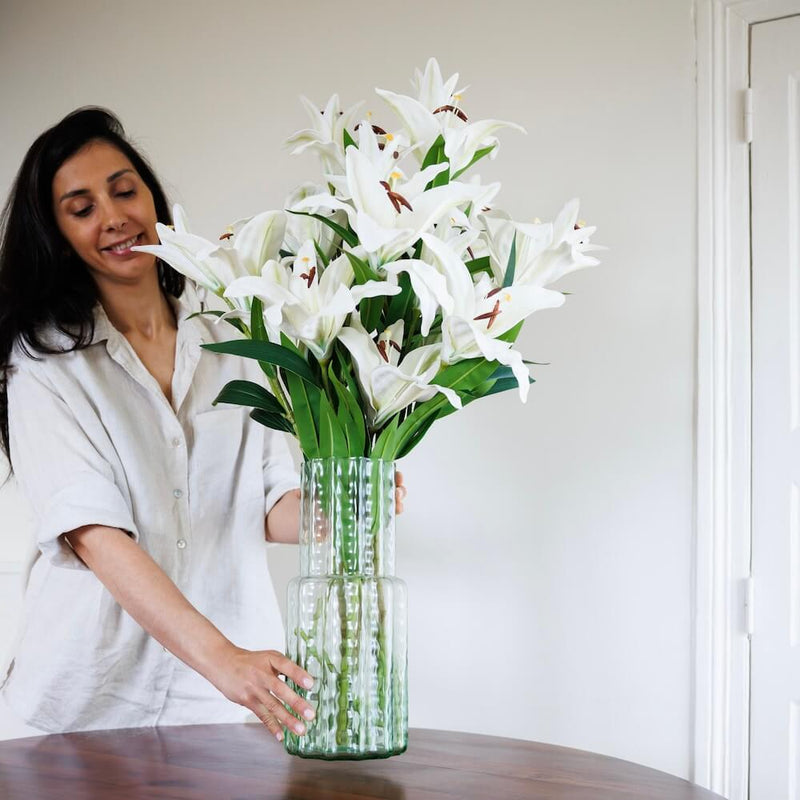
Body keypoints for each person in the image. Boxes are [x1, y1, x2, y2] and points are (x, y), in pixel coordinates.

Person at [0, 108, 405, 737]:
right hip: (86, 707)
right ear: (55, 233)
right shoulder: (45, 362)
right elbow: (95, 536)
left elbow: (271, 508)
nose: (113, 217)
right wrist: (225, 662)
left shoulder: (235, 336)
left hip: (220, 711)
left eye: (124, 189)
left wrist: (356, 499)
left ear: (153, 198)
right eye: (81, 208)